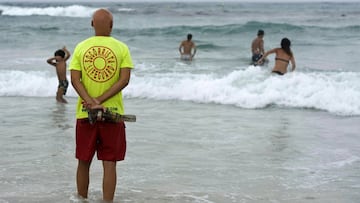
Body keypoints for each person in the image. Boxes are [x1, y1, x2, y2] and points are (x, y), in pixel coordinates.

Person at [69, 8, 134, 202]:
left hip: (85, 112)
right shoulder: (122, 48)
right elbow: (124, 80)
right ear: (112, 25)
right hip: (112, 114)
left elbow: (74, 80)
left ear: (91, 24)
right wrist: (101, 101)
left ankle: (81, 199)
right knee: (110, 163)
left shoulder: (81, 47)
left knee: (83, 161)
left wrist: (90, 102)